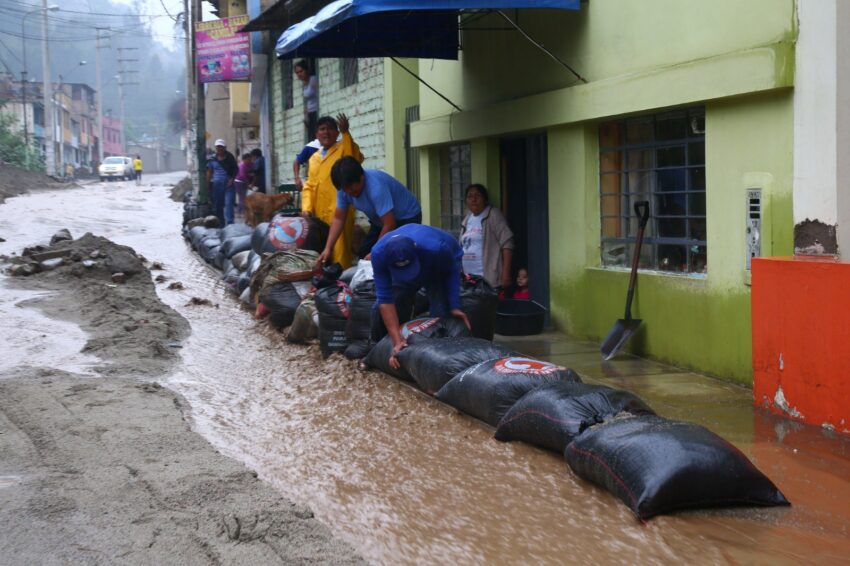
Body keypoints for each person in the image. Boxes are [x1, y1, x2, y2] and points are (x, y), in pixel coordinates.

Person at [371, 224, 470, 369]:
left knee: (440, 312)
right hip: (414, 259)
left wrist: (454, 305)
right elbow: (385, 299)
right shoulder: (378, 254)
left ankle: (438, 365)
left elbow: (451, 272)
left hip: (440, 262)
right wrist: (397, 341)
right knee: (385, 306)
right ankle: (378, 352)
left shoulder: (436, 249)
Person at [317, 157, 421, 267]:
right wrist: (328, 248)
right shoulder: (344, 189)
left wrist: (375, 251)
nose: (349, 193)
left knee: (394, 256)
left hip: (406, 217)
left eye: (352, 189)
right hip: (380, 221)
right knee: (364, 254)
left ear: (362, 178)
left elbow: (390, 224)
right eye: (345, 189)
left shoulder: (376, 187)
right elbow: (339, 219)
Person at [301, 114, 363, 268]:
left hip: (340, 210)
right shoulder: (314, 158)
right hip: (319, 214)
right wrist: (307, 208)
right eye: (322, 129)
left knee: (340, 250)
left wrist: (346, 133)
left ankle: (341, 282)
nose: (326, 132)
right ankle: (326, 284)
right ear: (316, 135)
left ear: (336, 133)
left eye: (330, 129)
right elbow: (309, 185)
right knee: (322, 249)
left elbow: (353, 159)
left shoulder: (344, 147)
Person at [459, 183, 514, 290]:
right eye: (470, 196)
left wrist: (506, 274)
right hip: (469, 279)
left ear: (485, 199)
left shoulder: (493, 215)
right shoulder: (467, 219)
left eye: (478, 196)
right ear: (466, 201)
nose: (473, 199)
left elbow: (507, 243)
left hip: (488, 280)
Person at [206, 139, 237, 226]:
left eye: (221, 147)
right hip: (217, 185)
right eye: (217, 147)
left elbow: (235, 169)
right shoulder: (212, 159)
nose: (219, 149)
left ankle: (230, 224)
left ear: (225, 148)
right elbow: (209, 172)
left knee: (229, 204)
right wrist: (207, 184)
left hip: (229, 185)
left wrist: (232, 180)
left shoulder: (230, 157)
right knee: (218, 205)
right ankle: (221, 224)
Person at [294, 59, 318, 141]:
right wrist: (306, 115)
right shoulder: (304, 83)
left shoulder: (313, 80)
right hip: (310, 113)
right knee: (311, 138)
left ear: (306, 70)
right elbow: (307, 102)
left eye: (301, 71)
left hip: (316, 112)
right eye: (297, 73)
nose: (299, 74)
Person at [234, 152, 253, 217]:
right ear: (244, 160)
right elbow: (242, 175)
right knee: (242, 197)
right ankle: (241, 212)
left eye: (250, 160)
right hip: (239, 182)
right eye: (248, 160)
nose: (250, 161)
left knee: (243, 197)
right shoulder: (242, 165)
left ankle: (241, 211)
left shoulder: (249, 164)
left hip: (243, 182)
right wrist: (248, 184)